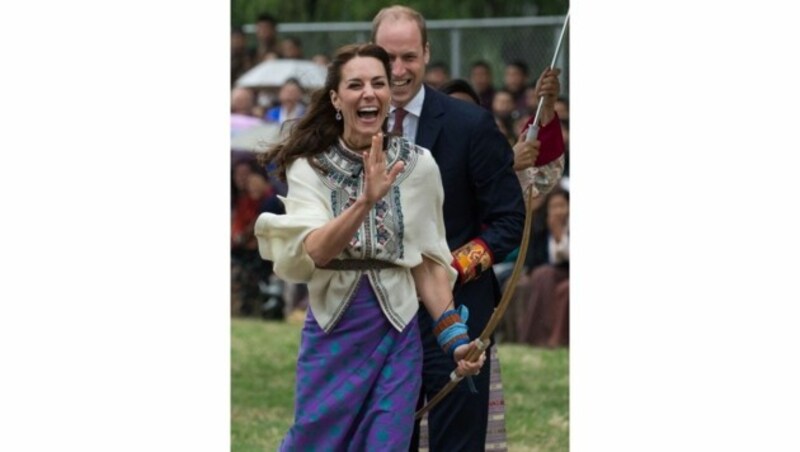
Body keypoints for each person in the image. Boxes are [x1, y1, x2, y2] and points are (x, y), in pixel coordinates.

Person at [255, 43, 486, 451]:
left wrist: (456, 340)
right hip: (333, 330)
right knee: (315, 441)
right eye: (356, 84)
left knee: (387, 443)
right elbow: (317, 250)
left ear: (389, 96)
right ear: (336, 99)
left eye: (378, 84)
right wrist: (366, 200)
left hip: (397, 333)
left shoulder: (420, 165)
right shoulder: (309, 166)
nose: (369, 92)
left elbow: (429, 265)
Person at [372, 6, 532, 450]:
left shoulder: (471, 125)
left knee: (456, 439)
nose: (398, 70)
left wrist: (454, 268)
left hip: (458, 308)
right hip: (379, 312)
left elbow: (509, 220)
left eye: (409, 57)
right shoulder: (351, 126)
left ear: (426, 53)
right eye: (388, 58)